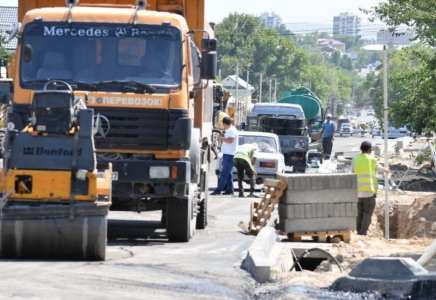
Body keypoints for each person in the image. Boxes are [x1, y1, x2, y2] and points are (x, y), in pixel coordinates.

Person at [351, 141, 389, 236]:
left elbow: (351, 172)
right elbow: (379, 169)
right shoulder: (372, 159)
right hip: (369, 191)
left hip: (357, 191)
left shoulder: (355, 159)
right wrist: (386, 170)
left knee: (359, 213)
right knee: (367, 213)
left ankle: (358, 231)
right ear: (369, 149)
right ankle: (363, 232)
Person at [211, 117, 238, 196]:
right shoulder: (229, 130)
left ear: (225, 123)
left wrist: (221, 138)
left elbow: (230, 141)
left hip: (230, 154)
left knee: (224, 173)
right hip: (227, 154)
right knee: (229, 173)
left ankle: (218, 190)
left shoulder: (232, 130)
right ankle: (230, 189)